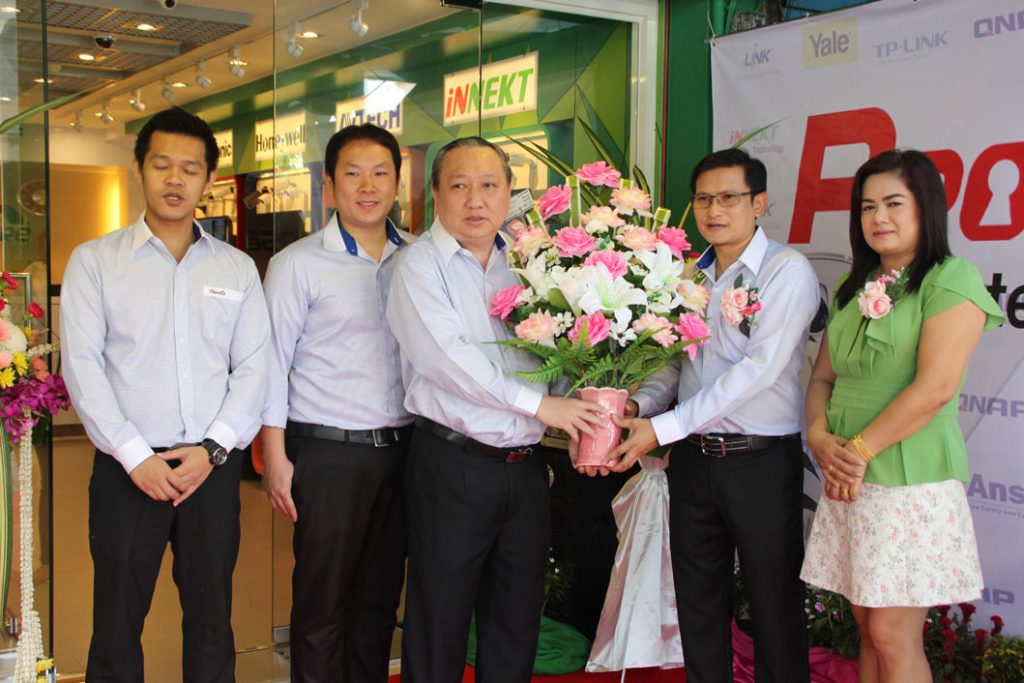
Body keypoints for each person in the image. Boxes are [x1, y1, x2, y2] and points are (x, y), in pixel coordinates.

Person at [60, 107, 270, 682]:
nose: (175, 179)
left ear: (208, 179)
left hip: (210, 470)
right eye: (162, 165)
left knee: (212, 621)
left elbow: (255, 367)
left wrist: (213, 449)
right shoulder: (96, 262)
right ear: (139, 169)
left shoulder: (236, 269)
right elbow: (82, 368)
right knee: (116, 624)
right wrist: (135, 457)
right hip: (127, 471)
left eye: (190, 168)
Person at [385, 137, 606, 683]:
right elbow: (447, 360)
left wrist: (591, 399)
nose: (475, 199)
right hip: (453, 466)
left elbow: (556, 353)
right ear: (436, 193)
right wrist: (542, 405)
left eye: (489, 185)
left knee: (515, 624)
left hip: (526, 470)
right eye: (459, 185)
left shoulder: (531, 265)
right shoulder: (417, 266)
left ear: (509, 192)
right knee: (439, 625)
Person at [609, 148, 818, 683]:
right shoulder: (689, 277)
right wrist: (638, 405)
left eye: (729, 197)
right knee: (698, 604)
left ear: (759, 203)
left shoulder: (786, 271)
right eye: (703, 199)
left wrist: (664, 427)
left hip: (759, 462)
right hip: (694, 461)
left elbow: (758, 371)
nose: (714, 210)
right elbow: (675, 361)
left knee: (773, 602)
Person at [799, 149, 1003, 683]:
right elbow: (822, 379)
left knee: (893, 634)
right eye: (868, 207)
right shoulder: (856, 286)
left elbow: (935, 389)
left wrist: (858, 451)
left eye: (893, 203)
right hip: (848, 476)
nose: (878, 218)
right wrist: (819, 435)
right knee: (867, 628)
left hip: (908, 478)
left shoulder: (950, 278)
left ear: (925, 207)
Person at [260, 123, 412, 682]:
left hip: (404, 450)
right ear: (329, 184)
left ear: (397, 182)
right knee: (321, 603)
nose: (367, 187)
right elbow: (270, 364)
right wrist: (274, 456)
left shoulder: (419, 257)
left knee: (378, 603)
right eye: (353, 174)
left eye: (380, 173)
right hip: (328, 454)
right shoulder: (298, 263)